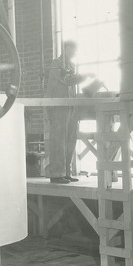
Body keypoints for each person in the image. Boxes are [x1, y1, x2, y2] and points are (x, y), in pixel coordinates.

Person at [45, 40, 85, 184]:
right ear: (66, 48)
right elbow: (66, 79)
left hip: (70, 107)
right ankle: (56, 174)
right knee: (59, 141)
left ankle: (66, 172)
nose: (75, 52)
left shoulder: (70, 65)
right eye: (73, 49)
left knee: (70, 141)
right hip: (58, 107)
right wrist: (84, 76)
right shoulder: (56, 64)